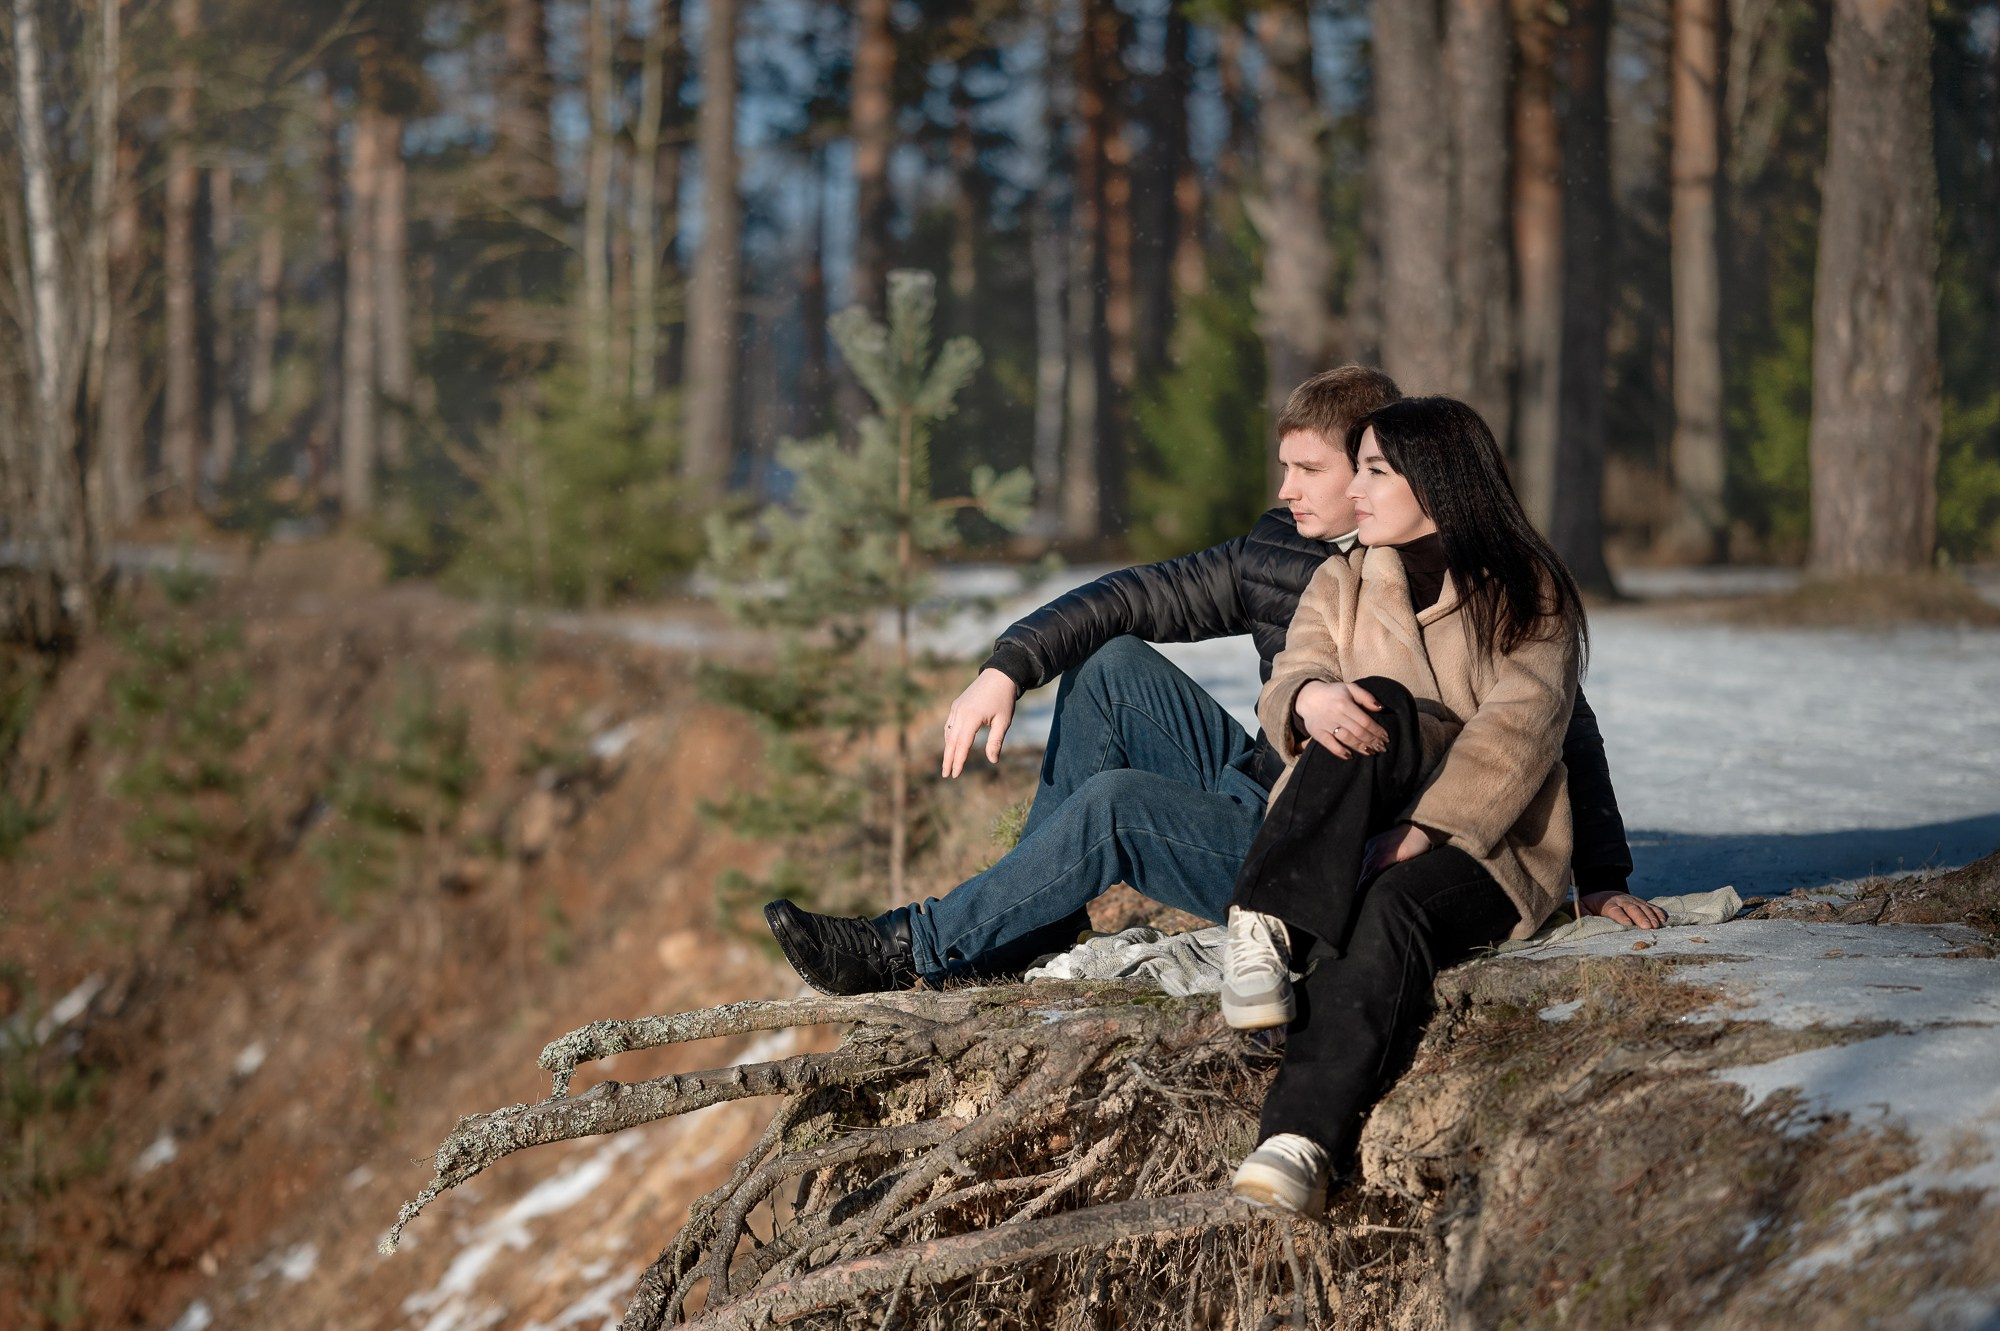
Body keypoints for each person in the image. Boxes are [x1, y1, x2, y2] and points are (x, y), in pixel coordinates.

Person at [762, 366, 1660, 996]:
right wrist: (1007, 666)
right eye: (1286, 464)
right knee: (1111, 668)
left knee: (1115, 804)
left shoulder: (1472, 578)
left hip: (1325, 839)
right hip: (1270, 779)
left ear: (1379, 471)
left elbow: (1552, 726)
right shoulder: (1284, 550)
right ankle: (1020, 928)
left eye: (1313, 468)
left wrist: (1602, 872)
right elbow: (1133, 598)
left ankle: (911, 948)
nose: (1289, 487)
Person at [1224, 395, 1596, 1217]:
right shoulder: (1342, 577)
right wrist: (1311, 698)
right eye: (1355, 469)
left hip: (1488, 842)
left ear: (1437, 481)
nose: (1354, 489)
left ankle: (1298, 1138)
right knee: (1367, 704)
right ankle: (1261, 926)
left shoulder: (1531, 595)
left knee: (1392, 907)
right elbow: (1293, 673)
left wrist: (1425, 832)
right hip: (1356, 808)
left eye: (1375, 471)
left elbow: (1520, 735)